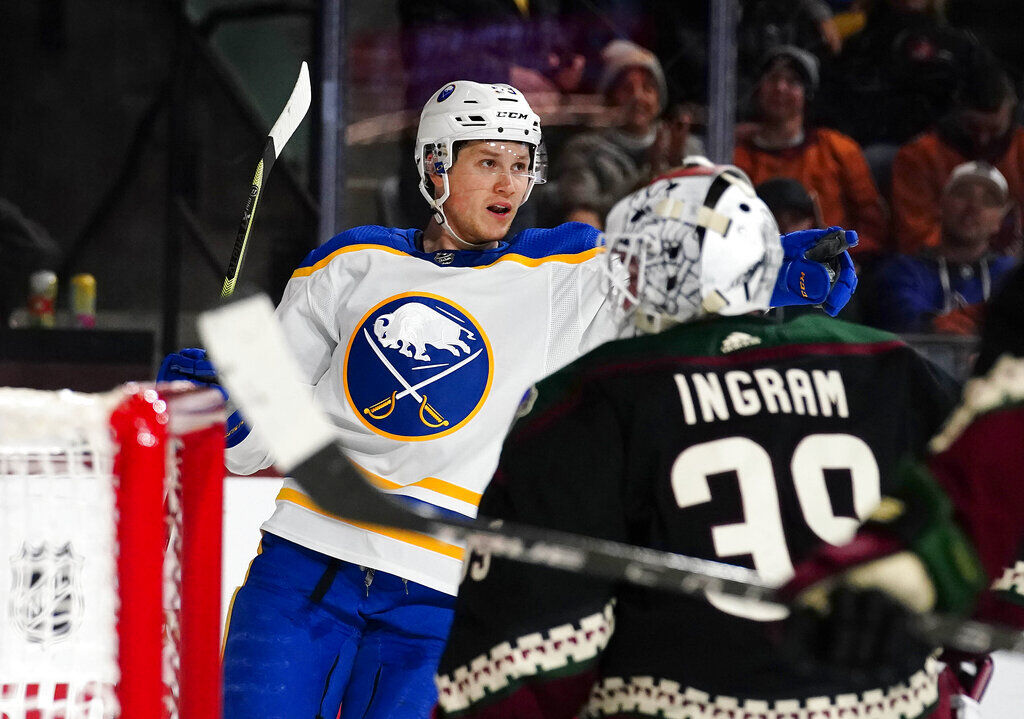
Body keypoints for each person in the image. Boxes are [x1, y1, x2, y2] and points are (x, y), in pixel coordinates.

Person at [160, 84, 857, 719]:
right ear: (436, 166)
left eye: (522, 165)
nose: (510, 183)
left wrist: (768, 274)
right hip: (304, 568)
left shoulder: (564, 269)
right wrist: (218, 400)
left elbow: (673, 287)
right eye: (488, 161)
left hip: (445, 599)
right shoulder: (345, 261)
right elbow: (256, 438)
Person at [434, 163, 959, 718]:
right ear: (763, 262)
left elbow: (527, 643)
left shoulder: (596, 394)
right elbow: (991, 511)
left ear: (635, 272)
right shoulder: (886, 364)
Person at [733, 44, 889, 261]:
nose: (780, 88)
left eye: (793, 82)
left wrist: (840, 259)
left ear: (808, 94)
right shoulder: (736, 156)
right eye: (772, 79)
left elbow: (872, 227)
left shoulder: (838, 149)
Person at [554, 39, 704, 229]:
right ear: (609, 96)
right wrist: (648, 177)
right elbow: (581, 217)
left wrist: (679, 170)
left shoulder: (686, 146)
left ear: (659, 99)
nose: (638, 97)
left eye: (648, 88)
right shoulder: (585, 150)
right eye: (627, 88)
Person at [891, 58, 1024, 255]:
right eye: (973, 128)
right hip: (942, 266)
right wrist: (978, 250)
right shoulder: (918, 156)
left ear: (1011, 115)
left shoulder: (1020, 147)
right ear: (956, 113)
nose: (984, 140)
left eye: (994, 129)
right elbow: (915, 237)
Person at [873, 161, 1018, 334]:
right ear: (941, 204)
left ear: (1000, 221)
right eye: (963, 194)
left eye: (987, 201)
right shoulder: (902, 270)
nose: (973, 207)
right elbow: (902, 315)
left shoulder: (1012, 274)